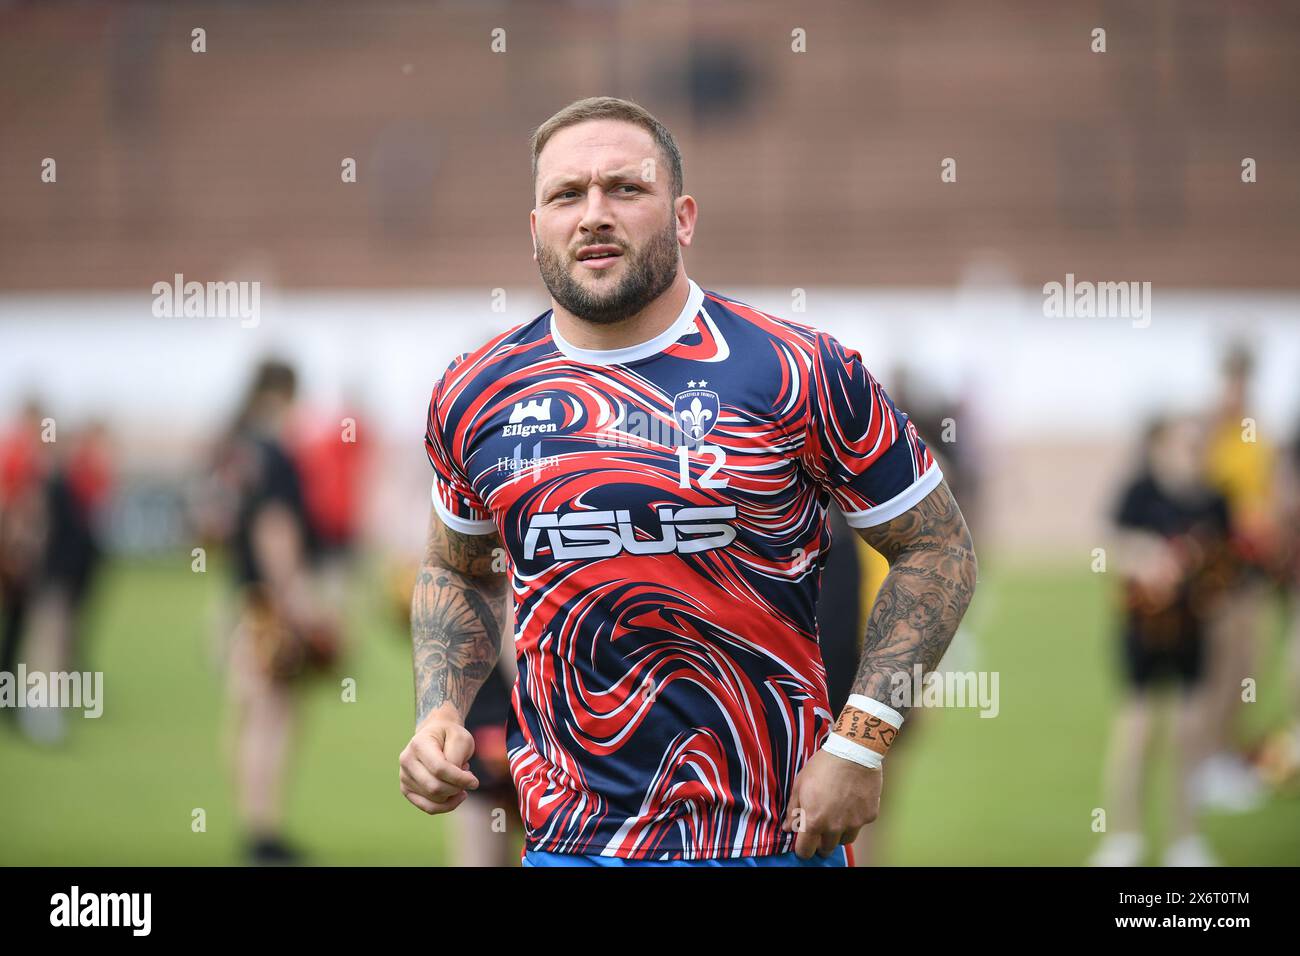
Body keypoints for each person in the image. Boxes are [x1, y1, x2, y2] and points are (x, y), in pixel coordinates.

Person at [398, 96, 977, 866]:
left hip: (768, 842)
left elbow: (938, 547)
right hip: (569, 846)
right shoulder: (476, 391)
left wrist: (863, 740)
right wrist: (440, 710)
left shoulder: (798, 369)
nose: (594, 214)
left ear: (683, 217)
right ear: (535, 227)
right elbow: (455, 568)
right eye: (567, 194)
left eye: (625, 189)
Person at [1089, 414, 1236, 867]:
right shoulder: (1141, 492)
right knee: (1137, 730)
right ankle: (1123, 836)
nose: (1191, 454)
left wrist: (1209, 581)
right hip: (1142, 631)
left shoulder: (1215, 500)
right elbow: (1107, 543)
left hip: (1194, 633)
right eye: (1182, 444)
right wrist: (1144, 558)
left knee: (1190, 734)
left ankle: (1185, 839)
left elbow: (1228, 567)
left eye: (1198, 446)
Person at [215, 360, 341, 864]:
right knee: (273, 715)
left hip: (241, 595)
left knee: (247, 714)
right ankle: (262, 832)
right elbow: (276, 531)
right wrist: (297, 604)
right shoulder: (274, 454)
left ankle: (253, 822)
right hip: (269, 603)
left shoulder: (239, 449)